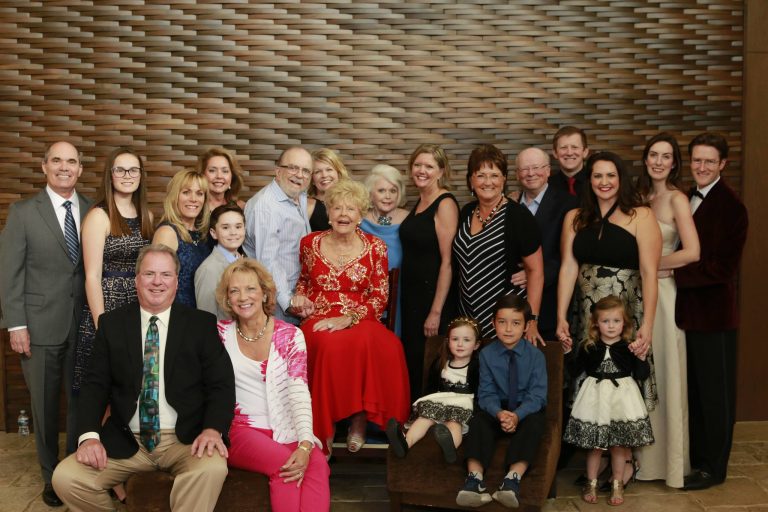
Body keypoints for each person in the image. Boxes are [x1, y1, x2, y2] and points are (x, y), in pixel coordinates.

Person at [51, 244, 235, 512]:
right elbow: (94, 387)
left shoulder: (200, 324)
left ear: (176, 281)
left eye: (166, 274)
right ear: (137, 280)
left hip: (185, 440)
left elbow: (221, 384)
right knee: (66, 478)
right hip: (128, 440)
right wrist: (89, 437)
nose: (157, 281)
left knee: (212, 468)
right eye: (149, 274)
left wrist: (212, 429)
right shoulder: (112, 325)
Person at [556, 151, 661, 488]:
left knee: (624, 382)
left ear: (621, 178)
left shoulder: (641, 215)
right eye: (597, 176)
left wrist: (647, 326)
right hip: (587, 314)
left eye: (611, 175)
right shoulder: (574, 217)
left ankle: (626, 460)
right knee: (592, 381)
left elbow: (649, 272)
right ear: (589, 181)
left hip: (627, 312)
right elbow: (568, 268)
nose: (604, 182)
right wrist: (560, 316)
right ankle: (600, 457)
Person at [0, 141, 92, 507]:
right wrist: (16, 325)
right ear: (44, 166)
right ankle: (50, 476)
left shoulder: (92, 209)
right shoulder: (23, 212)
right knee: (44, 405)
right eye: (57, 160)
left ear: (80, 169)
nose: (64, 167)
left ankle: (72, 471)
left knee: (80, 403)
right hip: (38, 326)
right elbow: (9, 273)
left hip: (82, 324)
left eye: (71, 161)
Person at [291, 180, 410, 455]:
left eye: (351, 209)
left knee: (389, 345)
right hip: (319, 315)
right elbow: (304, 281)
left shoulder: (376, 246)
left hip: (360, 317)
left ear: (360, 215)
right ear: (329, 213)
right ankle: (325, 426)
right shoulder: (310, 242)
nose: (343, 214)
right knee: (327, 345)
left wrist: (349, 318)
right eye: (337, 208)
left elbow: (379, 295)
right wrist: (299, 299)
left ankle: (360, 419)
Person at [215, 258, 330, 512]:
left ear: (265, 293)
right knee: (286, 466)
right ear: (227, 299)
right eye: (234, 291)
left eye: (250, 289)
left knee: (317, 464)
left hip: (284, 427)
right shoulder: (218, 335)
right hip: (240, 430)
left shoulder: (290, 335)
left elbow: (299, 392)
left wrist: (305, 443)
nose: (243, 297)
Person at [676, 133, 748, 491]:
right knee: (693, 393)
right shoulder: (685, 196)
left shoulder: (732, 207)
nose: (701, 167)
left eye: (709, 161)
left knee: (715, 396)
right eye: (697, 160)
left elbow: (722, 269)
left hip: (714, 316)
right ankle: (696, 459)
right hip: (685, 314)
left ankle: (713, 468)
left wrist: (674, 274)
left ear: (722, 164)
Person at [634, 133, 700, 488]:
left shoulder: (677, 198)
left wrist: (653, 265)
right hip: (637, 294)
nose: (658, 162)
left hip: (664, 294)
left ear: (674, 163)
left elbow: (692, 251)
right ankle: (639, 460)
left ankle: (669, 464)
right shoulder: (639, 197)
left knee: (665, 372)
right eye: (653, 155)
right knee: (640, 375)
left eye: (666, 156)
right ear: (645, 159)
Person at [74, 148, 154, 395]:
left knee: (133, 385)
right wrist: (103, 326)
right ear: (110, 175)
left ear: (141, 175)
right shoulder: (99, 216)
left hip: (138, 304)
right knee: (103, 388)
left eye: (133, 170)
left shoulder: (147, 215)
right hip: (107, 305)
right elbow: (92, 276)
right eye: (120, 170)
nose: (127, 175)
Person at [456, 295, 547, 509]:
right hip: (497, 408)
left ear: (526, 326)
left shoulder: (536, 356)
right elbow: (486, 394)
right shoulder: (486, 355)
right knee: (478, 421)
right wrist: (499, 413)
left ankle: (512, 480)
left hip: (525, 409)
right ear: (493, 323)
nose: (508, 329)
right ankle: (474, 480)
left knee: (536, 423)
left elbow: (537, 396)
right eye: (502, 322)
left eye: (515, 323)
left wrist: (517, 415)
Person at [563, 295, 654, 506]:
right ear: (596, 323)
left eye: (616, 321)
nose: (611, 326)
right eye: (605, 321)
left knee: (618, 445)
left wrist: (641, 358)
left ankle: (617, 483)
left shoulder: (629, 347)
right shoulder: (589, 346)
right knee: (595, 446)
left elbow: (642, 374)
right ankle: (591, 483)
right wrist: (567, 352)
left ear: (624, 323)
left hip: (622, 399)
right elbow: (574, 371)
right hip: (594, 398)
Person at [453, 144, 544, 343]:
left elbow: (535, 271)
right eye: (481, 175)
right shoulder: (466, 212)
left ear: (504, 179)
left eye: (494, 175)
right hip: (467, 316)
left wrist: (532, 320)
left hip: (505, 320)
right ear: (471, 180)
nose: (488, 182)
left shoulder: (518, 216)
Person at [399, 143, 459, 400]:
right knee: (413, 359)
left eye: (429, 166)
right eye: (418, 165)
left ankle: (429, 417)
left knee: (429, 361)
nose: (422, 171)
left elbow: (448, 262)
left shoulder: (444, 203)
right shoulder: (419, 201)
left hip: (432, 298)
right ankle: (413, 415)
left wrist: (436, 311)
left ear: (441, 171)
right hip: (412, 297)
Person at [387, 316, 481, 464]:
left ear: (476, 345)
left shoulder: (477, 366)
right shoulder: (440, 363)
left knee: (454, 423)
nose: (460, 344)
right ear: (448, 342)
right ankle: (405, 443)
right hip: (440, 400)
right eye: (455, 339)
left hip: (463, 403)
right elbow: (430, 388)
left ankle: (450, 447)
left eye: (466, 340)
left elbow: (481, 391)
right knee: (424, 419)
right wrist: (424, 404)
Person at [515, 147, 578, 342]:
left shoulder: (569, 204)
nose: (531, 173)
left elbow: (571, 256)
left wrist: (534, 274)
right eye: (525, 169)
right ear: (517, 174)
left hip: (551, 300)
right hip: (512, 302)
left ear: (548, 170)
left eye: (536, 167)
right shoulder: (510, 205)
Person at [243, 146, 312, 324]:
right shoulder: (266, 207)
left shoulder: (299, 195)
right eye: (293, 168)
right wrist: (288, 302)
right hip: (280, 307)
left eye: (306, 171)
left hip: (300, 297)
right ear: (278, 171)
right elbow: (268, 262)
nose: (300, 175)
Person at [360, 164, 409, 336]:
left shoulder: (409, 219)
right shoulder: (358, 220)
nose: (388, 196)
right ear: (370, 193)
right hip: (367, 293)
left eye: (393, 191)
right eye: (381, 191)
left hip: (401, 290)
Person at [152, 169, 212, 308]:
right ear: (175, 196)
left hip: (202, 313)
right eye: (186, 192)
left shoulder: (203, 234)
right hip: (176, 314)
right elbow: (157, 285)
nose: (193, 199)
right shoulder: (167, 233)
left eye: (199, 193)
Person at [195, 204, 246, 319]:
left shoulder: (243, 260)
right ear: (213, 233)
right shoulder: (209, 270)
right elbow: (206, 318)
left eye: (238, 227)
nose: (233, 232)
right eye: (225, 228)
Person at [307, 148, 349, 231]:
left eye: (329, 170)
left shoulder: (351, 201)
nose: (324, 175)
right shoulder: (306, 205)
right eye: (317, 172)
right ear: (312, 179)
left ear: (338, 173)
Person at [199, 146, 247, 211]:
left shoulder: (241, 207)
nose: (219, 176)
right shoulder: (194, 206)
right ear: (202, 174)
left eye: (225, 171)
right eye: (212, 170)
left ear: (232, 176)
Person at [548, 126, 589, 198]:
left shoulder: (595, 182)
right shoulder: (546, 186)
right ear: (555, 153)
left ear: (585, 152)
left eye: (574, 147)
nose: (569, 153)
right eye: (563, 147)